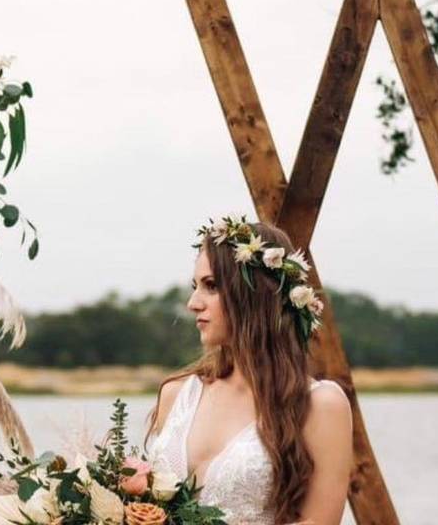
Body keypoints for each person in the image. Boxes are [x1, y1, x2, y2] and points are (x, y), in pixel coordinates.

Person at [145, 216, 353, 524]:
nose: (193, 303)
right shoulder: (176, 393)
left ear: (255, 294)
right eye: (195, 286)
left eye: (211, 286)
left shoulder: (321, 405)